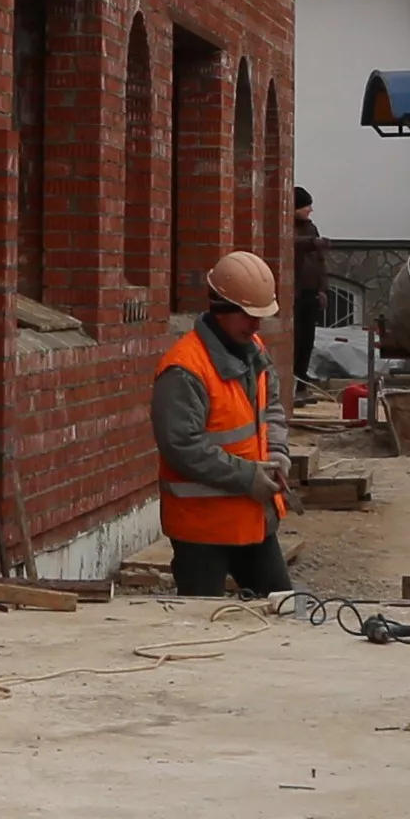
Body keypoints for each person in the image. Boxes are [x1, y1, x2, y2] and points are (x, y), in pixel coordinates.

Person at [153, 251, 292, 596]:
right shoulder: (184, 370)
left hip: (253, 519)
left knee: (285, 610)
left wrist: (277, 453)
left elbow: (270, 408)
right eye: (249, 315)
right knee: (200, 627)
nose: (256, 325)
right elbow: (182, 447)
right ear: (222, 309)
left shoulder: (254, 349)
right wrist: (247, 476)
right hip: (202, 530)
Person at [288, 184, 332, 393]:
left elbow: (320, 261)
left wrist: (323, 289)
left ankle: (302, 380)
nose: (310, 210)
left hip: (311, 293)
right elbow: (293, 244)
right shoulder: (288, 227)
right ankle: (291, 379)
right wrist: (311, 242)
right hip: (294, 293)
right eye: (306, 206)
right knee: (294, 339)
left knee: (307, 339)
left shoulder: (311, 227)